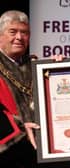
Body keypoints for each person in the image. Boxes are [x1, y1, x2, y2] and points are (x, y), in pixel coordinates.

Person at [0, 10, 40, 168]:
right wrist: (21, 126)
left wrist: (61, 68)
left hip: (39, 152)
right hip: (8, 152)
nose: (19, 37)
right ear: (0, 35)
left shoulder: (36, 66)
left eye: (24, 33)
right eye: (13, 32)